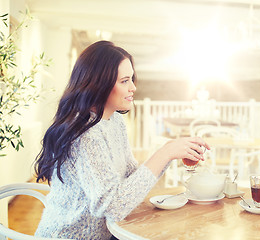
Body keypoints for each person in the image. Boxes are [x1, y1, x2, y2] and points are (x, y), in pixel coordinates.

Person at [34, 40, 210, 239]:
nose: (133, 87)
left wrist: (169, 151)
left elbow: (129, 177)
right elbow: (114, 206)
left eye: (132, 79)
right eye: (124, 81)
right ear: (99, 84)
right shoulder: (85, 134)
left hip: (106, 233)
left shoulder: (113, 121)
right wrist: (165, 153)